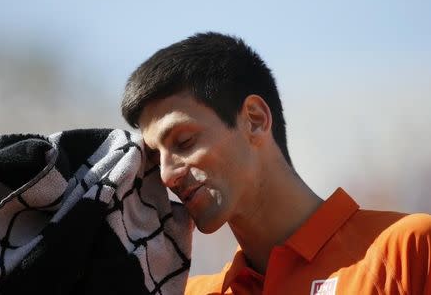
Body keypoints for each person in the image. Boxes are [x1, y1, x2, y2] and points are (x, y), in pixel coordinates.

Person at [121, 32, 431, 294]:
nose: (166, 174)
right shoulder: (187, 291)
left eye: (184, 142)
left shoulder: (407, 249)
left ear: (254, 120)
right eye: (156, 156)